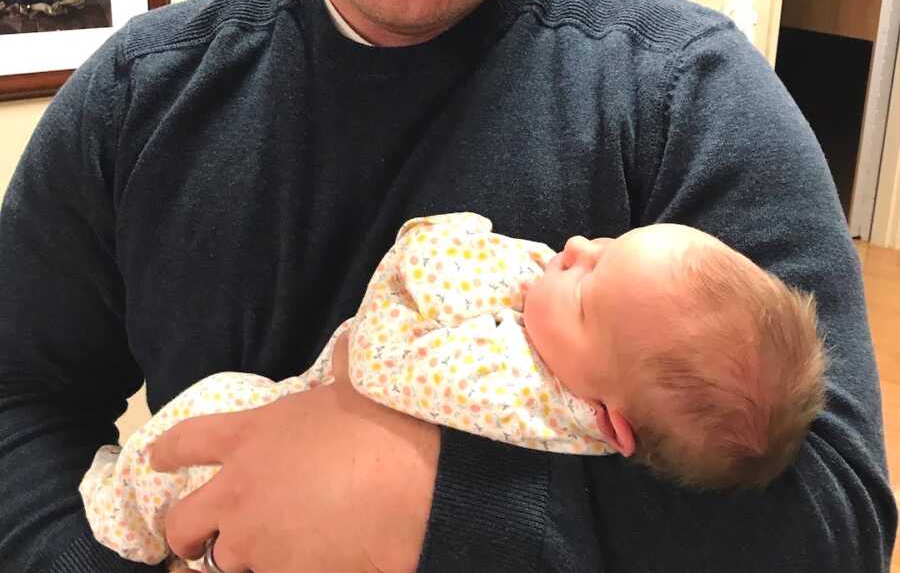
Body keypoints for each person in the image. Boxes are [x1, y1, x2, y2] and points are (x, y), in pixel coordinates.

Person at [0, 0, 895, 571]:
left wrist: (433, 505)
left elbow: (838, 523)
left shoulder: (690, 100)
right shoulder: (137, 96)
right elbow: (19, 400)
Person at [78, 213, 827, 567]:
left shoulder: (515, 387)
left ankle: (121, 518)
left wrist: (432, 245)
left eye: (589, 289)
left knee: (205, 409)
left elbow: (382, 365)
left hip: (275, 451)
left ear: (610, 422)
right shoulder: (576, 364)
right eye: (607, 245)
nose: (574, 248)